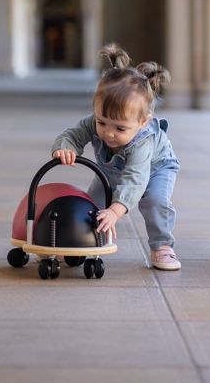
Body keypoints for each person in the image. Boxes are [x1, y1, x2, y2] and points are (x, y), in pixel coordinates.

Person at [52, 43, 182, 270]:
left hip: (154, 169)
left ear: (143, 122)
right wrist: (66, 147)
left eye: (120, 129)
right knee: (91, 206)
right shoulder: (95, 122)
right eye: (102, 122)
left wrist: (115, 209)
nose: (109, 133)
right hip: (111, 171)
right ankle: (81, 242)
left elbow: (136, 178)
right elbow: (73, 134)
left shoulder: (143, 141)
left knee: (155, 201)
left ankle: (162, 245)